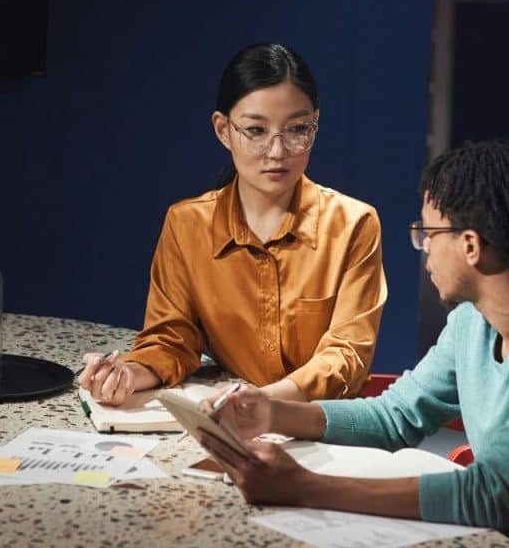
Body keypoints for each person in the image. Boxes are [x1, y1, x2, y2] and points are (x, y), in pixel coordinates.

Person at [199, 140, 509, 547]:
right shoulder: (472, 320)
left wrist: (302, 487)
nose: (422, 250)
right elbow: (395, 416)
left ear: (471, 246)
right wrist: (270, 411)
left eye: (427, 233)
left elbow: (495, 493)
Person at [78, 42, 387, 406]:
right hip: (234, 417)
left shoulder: (353, 224)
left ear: (315, 125)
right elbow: (172, 340)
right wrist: (128, 374)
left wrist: (262, 404)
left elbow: (346, 357)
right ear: (223, 129)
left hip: (320, 423)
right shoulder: (187, 224)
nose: (277, 151)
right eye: (256, 131)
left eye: (297, 129)